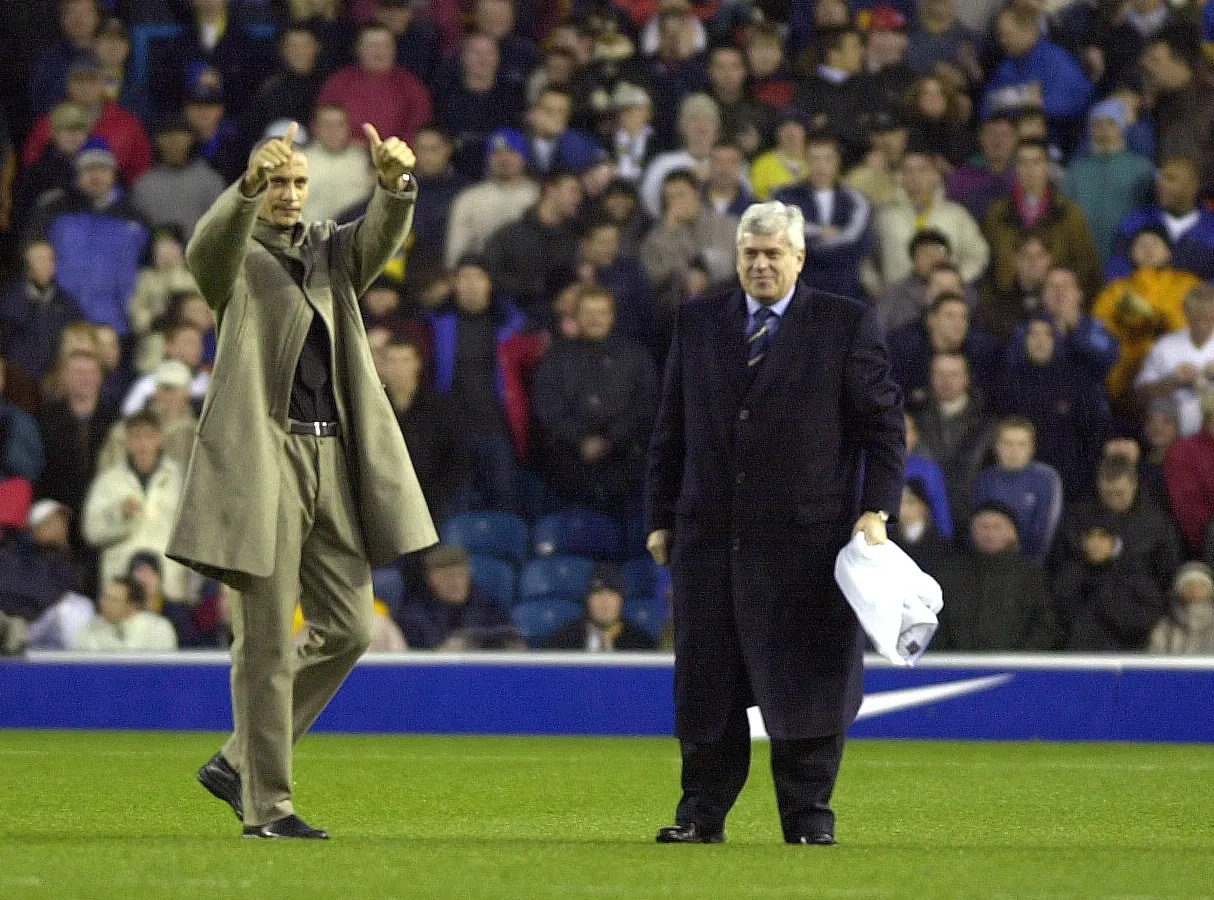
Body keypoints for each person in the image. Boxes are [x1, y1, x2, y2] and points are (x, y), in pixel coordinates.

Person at [174, 122, 437, 840]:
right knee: (261, 642)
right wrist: (245, 189)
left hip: (332, 459)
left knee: (351, 627)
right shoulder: (235, 256)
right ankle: (269, 807)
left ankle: (238, 761)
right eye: (278, 183)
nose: (290, 195)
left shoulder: (329, 250)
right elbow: (206, 253)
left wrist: (393, 186)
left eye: (298, 184)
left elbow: (378, 239)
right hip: (266, 462)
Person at [645, 201, 904, 846]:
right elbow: (670, 428)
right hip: (710, 541)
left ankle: (809, 817)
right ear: (736, 258)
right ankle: (700, 816)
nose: (760, 265)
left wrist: (876, 509)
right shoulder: (699, 321)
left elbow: (883, 429)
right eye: (749, 255)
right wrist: (658, 515)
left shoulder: (846, 324)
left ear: (799, 257)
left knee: (811, 682)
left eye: (772, 254)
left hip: (809, 546)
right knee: (706, 685)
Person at [531, 285, 658, 513]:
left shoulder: (635, 357)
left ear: (612, 317)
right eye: (588, 313)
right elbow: (547, 407)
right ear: (576, 316)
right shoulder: (555, 359)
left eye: (601, 313)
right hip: (569, 469)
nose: (595, 320)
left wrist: (610, 440)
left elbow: (644, 405)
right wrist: (581, 440)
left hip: (626, 467)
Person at [82, 410, 189, 602]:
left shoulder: (180, 479)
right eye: (136, 437)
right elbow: (92, 532)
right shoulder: (109, 481)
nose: (143, 444)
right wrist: (120, 514)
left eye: (149, 436)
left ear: (160, 438)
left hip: (169, 584)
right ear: (128, 441)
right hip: (120, 585)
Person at [932, 501, 1059, 651]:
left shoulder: (1030, 575)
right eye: (984, 527)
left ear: (1013, 532)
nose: (990, 534)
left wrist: (1021, 659)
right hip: (958, 666)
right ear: (972, 531)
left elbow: (1046, 625)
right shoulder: (950, 573)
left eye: (997, 527)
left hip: (1017, 667)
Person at [772, 132, 872, 301]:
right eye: (814, 159)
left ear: (837, 161)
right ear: (805, 160)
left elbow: (858, 246)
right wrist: (823, 233)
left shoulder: (856, 201)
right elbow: (781, 242)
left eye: (827, 159)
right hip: (799, 290)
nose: (821, 166)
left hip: (845, 289)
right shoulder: (784, 197)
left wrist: (812, 244)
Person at [971, 416, 1063, 563]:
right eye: (1007, 444)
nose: (1014, 451)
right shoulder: (985, 479)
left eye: (1021, 444)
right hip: (988, 562)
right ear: (996, 446)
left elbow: (1046, 531)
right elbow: (978, 527)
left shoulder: (1046, 479)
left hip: (1030, 565)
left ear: (1032, 448)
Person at [400, 544, 524, 650]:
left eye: (460, 575)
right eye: (447, 577)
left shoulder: (490, 608)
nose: (455, 583)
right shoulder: (415, 615)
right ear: (431, 579)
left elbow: (513, 644)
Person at [1135, 283, 1214, 437]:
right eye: (1196, 319)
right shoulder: (1165, 345)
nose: (1202, 326)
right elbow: (1141, 394)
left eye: (1208, 319)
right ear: (1186, 314)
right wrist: (1174, 382)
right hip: (1172, 440)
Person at [0, 239, 85, 383]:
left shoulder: (68, 305)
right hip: (16, 381)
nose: (46, 265)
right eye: (39, 259)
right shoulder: (8, 301)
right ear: (27, 264)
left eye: (50, 259)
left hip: (56, 382)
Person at [542, 563, 656, 650]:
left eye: (612, 594)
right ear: (588, 600)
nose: (605, 602)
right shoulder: (564, 640)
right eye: (598, 594)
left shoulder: (640, 642)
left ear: (621, 600)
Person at [74, 575, 178, 652]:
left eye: (113, 600)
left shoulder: (158, 629)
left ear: (132, 605)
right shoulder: (90, 629)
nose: (104, 603)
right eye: (104, 597)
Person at [1149, 561, 1214, 654]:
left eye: (1201, 586)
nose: (1195, 590)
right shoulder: (1166, 628)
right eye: (1189, 585)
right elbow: (1154, 662)